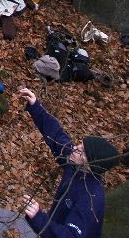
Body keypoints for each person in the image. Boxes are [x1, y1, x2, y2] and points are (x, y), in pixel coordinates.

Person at [18, 86, 123, 238]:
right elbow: (56, 136)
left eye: (83, 151)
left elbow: (71, 236)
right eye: (81, 144)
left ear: (91, 165)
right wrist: (36, 106)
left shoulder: (90, 198)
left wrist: (39, 218)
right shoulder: (75, 164)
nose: (76, 148)